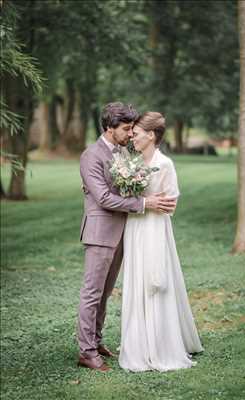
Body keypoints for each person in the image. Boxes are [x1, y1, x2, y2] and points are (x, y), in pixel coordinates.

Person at [78, 103, 176, 372]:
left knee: (105, 293)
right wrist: (144, 204)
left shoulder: (122, 152)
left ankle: (96, 341)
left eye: (132, 127)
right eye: (125, 128)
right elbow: (104, 198)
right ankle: (86, 352)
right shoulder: (91, 156)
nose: (130, 132)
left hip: (124, 233)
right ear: (109, 128)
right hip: (100, 234)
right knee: (91, 293)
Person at [119, 112, 204, 372]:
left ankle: (161, 345)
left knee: (156, 281)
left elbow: (171, 205)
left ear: (151, 135)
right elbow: (124, 199)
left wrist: (149, 203)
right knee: (137, 280)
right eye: (131, 132)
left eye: (136, 132)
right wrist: (139, 198)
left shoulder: (164, 163)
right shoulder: (128, 163)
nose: (132, 135)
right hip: (134, 227)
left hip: (155, 229)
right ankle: (138, 344)